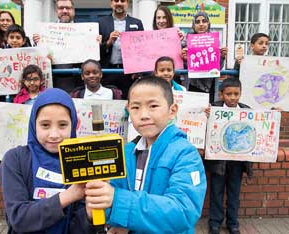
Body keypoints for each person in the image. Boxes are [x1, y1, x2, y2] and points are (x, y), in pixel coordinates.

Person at [84, 76, 207, 233]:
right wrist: (99, 208)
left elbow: (183, 211)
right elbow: (112, 192)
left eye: (153, 106)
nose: (143, 115)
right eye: (135, 107)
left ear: (172, 111)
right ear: (128, 110)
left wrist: (117, 201)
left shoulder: (186, 154)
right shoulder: (126, 151)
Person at [0, 88, 95, 234]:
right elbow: (19, 218)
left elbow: (78, 228)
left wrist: (89, 214)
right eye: (45, 125)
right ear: (33, 124)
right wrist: (69, 195)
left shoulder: (81, 162)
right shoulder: (15, 159)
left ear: (73, 125)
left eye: (63, 125)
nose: (54, 135)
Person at [203, 77, 252, 234]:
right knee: (216, 191)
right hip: (218, 160)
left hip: (238, 161)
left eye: (236, 94)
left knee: (234, 192)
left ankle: (233, 223)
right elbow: (202, 128)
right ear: (221, 94)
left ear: (240, 94)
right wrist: (206, 115)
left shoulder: (247, 110)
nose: (232, 97)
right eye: (229, 94)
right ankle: (215, 222)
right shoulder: (213, 108)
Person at [99, 0, 144, 98]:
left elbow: (142, 49)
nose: (119, 3)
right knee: (109, 102)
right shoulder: (101, 22)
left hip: (129, 74)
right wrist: (109, 42)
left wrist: (138, 70)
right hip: (107, 71)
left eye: (122, 0)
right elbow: (94, 50)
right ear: (111, 3)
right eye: (116, 0)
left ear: (127, 3)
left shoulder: (137, 23)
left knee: (129, 101)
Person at [33, 0, 84, 92]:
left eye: (68, 8)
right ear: (56, 11)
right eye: (61, 8)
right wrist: (37, 44)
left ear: (73, 11)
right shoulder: (45, 32)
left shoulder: (85, 31)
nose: (65, 11)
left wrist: (96, 42)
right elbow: (39, 56)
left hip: (78, 81)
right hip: (54, 79)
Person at [181, 11, 228, 103]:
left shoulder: (215, 42)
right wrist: (186, 60)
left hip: (210, 85)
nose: (201, 24)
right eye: (197, 22)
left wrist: (222, 56)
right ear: (193, 25)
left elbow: (219, 67)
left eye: (204, 21)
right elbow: (182, 68)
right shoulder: (186, 43)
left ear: (208, 23)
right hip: (192, 85)